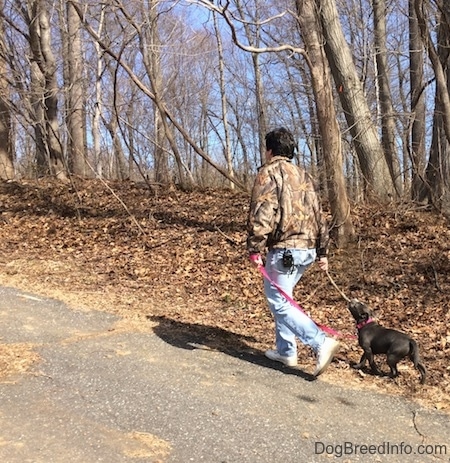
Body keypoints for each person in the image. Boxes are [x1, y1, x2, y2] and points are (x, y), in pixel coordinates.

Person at [247, 127, 340, 377]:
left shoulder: (268, 174)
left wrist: (255, 246)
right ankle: (286, 351)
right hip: (307, 250)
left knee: (279, 301)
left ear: (269, 150)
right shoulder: (304, 175)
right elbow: (319, 214)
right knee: (284, 298)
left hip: (285, 250)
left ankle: (320, 341)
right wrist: (322, 251)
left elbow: (264, 211)